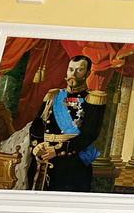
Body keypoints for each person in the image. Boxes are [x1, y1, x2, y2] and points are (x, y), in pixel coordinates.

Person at [27, 55, 107, 191]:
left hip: (71, 163)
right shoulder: (54, 95)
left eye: (79, 70)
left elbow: (90, 134)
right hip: (43, 158)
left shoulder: (93, 98)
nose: (73, 74)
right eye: (70, 69)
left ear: (88, 73)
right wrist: (37, 145)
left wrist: (57, 150)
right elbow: (37, 126)